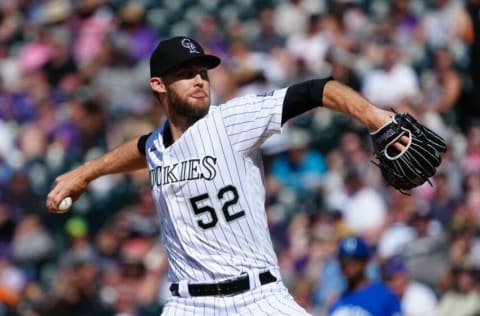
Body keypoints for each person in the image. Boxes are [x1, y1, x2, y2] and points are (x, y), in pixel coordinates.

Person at [46, 36, 400, 315]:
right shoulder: (156, 145)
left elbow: (316, 90)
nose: (199, 80)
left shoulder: (232, 121)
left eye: (203, 73)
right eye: (186, 75)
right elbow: (139, 149)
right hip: (189, 304)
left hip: (258, 297)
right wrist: (85, 173)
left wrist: (373, 116)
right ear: (158, 84)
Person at [329, 236, 403, 316]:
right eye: (344, 261)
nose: (348, 266)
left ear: (365, 262)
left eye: (354, 261)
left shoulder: (384, 295)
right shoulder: (336, 300)